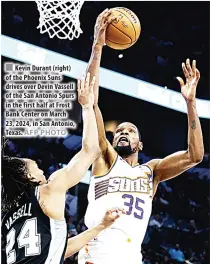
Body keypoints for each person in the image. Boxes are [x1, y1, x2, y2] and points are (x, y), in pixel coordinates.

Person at [78, 9, 204, 264]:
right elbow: (91, 102)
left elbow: (195, 155)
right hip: (98, 252)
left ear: (140, 144)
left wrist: (191, 103)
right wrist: (97, 46)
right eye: (120, 131)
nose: (123, 133)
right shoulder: (104, 157)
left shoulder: (152, 171)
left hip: (131, 257)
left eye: (130, 131)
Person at [1, 73, 125, 264]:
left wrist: (100, 227)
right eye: (35, 167)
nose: (41, 170)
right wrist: (86, 107)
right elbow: (91, 150)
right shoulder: (49, 189)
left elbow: (60, 249)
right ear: (27, 176)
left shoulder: (8, 217)